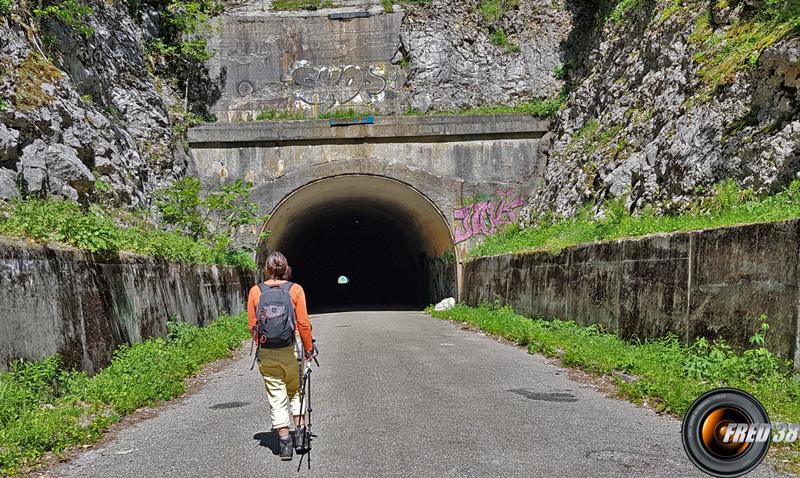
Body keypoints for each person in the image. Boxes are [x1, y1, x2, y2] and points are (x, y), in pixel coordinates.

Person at [247, 252, 314, 461]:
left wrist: (263, 345)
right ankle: (301, 436)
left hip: (267, 352)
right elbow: (303, 323)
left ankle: (285, 443)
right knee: (295, 391)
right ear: (286, 268)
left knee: (276, 394)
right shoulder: (295, 290)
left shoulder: (255, 291)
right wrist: (309, 348)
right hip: (290, 349)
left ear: (266, 269)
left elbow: (252, 326)